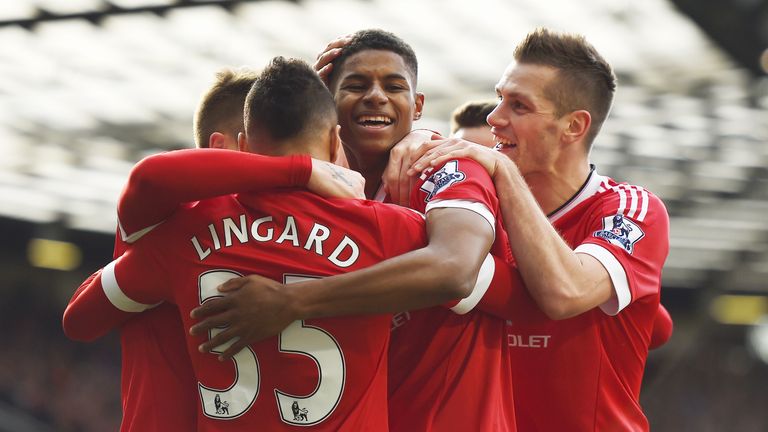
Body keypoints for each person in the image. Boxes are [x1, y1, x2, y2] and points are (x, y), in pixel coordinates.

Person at [63, 57, 466, 430]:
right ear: (333, 138)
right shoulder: (390, 229)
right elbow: (485, 279)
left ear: (247, 144)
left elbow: (79, 320)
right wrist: (460, 157)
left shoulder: (180, 233)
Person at [189, 29, 517, 431]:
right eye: (356, 85)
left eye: (393, 86)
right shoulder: (314, 200)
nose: (376, 96)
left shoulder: (444, 168)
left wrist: (293, 301)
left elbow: (455, 269)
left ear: (417, 106)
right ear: (329, 106)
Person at [406, 28, 670, 431]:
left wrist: (505, 176)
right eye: (499, 98)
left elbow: (566, 293)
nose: (494, 118)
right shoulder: (472, 212)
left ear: (573, 127)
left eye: (519, 106)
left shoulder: (631, 209)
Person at [70, 68, 260, 432]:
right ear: (221, 148)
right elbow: (151, 176)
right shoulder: (165, 218)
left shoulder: (289, 231)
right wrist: (300, 168)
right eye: (270, 148)